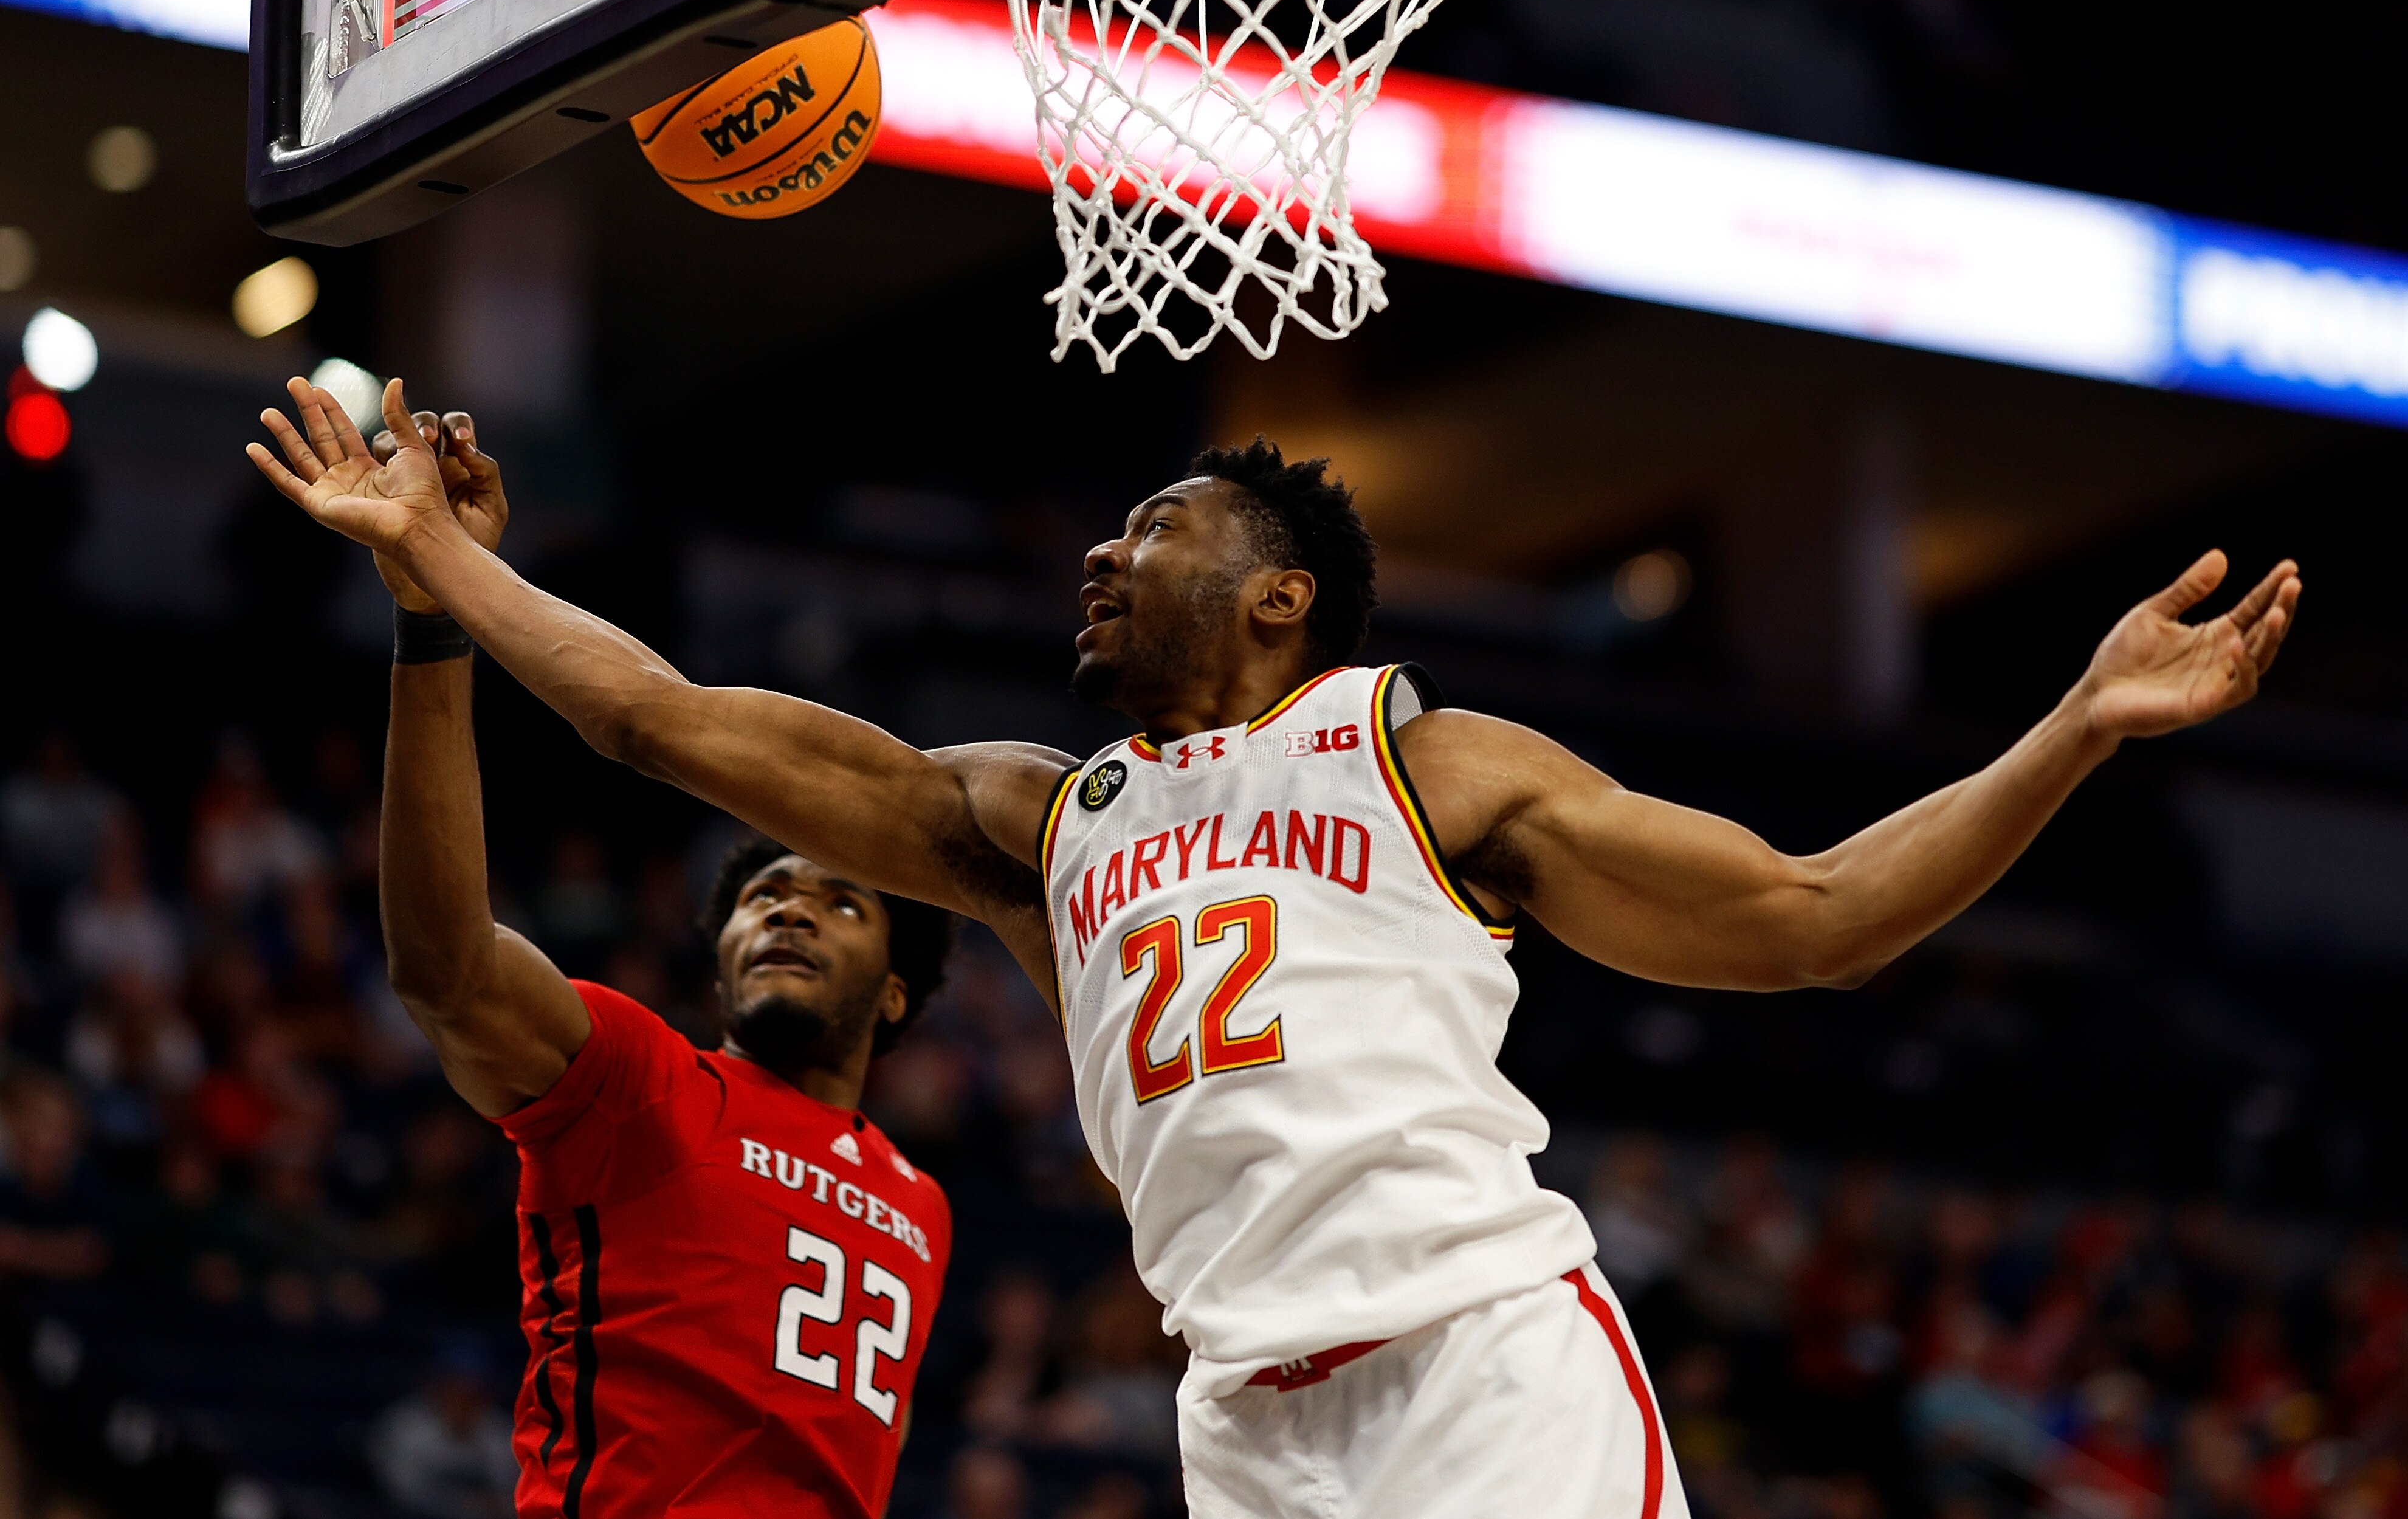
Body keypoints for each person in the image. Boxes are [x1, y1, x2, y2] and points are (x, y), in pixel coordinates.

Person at [245, 376, 2301, 1519]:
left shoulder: (1424, 756)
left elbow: (1820, 920)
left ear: (1280, 599)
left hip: (1481, 1362)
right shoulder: (1046, 820)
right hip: (1246, 1420)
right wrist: (435, 562)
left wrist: (2071, 730)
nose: (1097, 549)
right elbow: (662, 721)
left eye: (1146, 524)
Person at [303, 396, 958, 1518]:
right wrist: (432, 622)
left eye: (839, 900)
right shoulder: (647, 1080)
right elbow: (445, 965)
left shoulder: (925, 1202)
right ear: (721, 962)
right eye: (764, 896)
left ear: (898, 990)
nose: (791, 911)